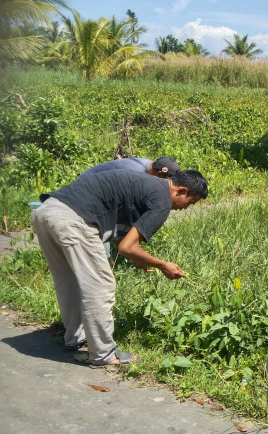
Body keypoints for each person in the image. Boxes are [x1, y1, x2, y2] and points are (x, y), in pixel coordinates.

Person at [30, 169, 208, 366]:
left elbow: (119, 236)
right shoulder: (162, 201)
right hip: (74, 220)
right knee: (101, 287)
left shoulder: (147, 185)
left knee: (67, 281)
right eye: (190, 202)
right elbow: (127, 247)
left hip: (47, 211)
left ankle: (75, 338)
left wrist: (138, 259)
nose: (185, 208)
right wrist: (162, 265)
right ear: (181, 191)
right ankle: (103, 354)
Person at [78, 156, 180, 179]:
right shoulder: (136, 173)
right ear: (159, 173)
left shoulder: (148, 163)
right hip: (86, 183)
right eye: (164, 179)